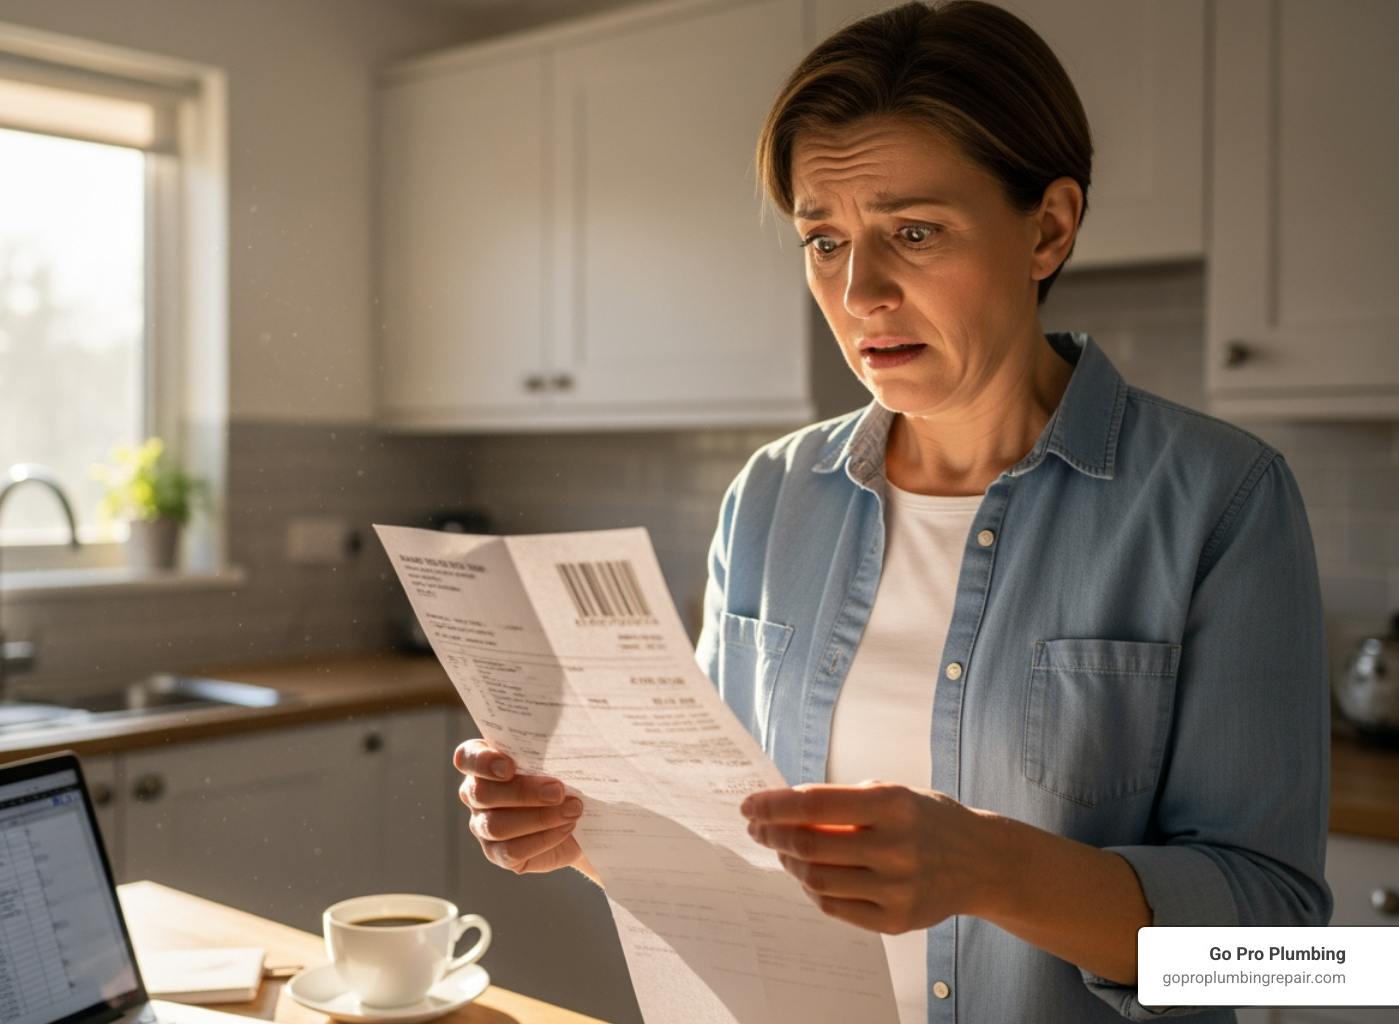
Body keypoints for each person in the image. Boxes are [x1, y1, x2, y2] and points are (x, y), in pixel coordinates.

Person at [454, 3, 1332, 1021]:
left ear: (1049, 226)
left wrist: (995, 868)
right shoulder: (771, 495)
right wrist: (587, 836)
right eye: (823, 239)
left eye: (913, 231)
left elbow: (1284, 957)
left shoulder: (1222, 501)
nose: (859, 289)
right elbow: (730, 867)